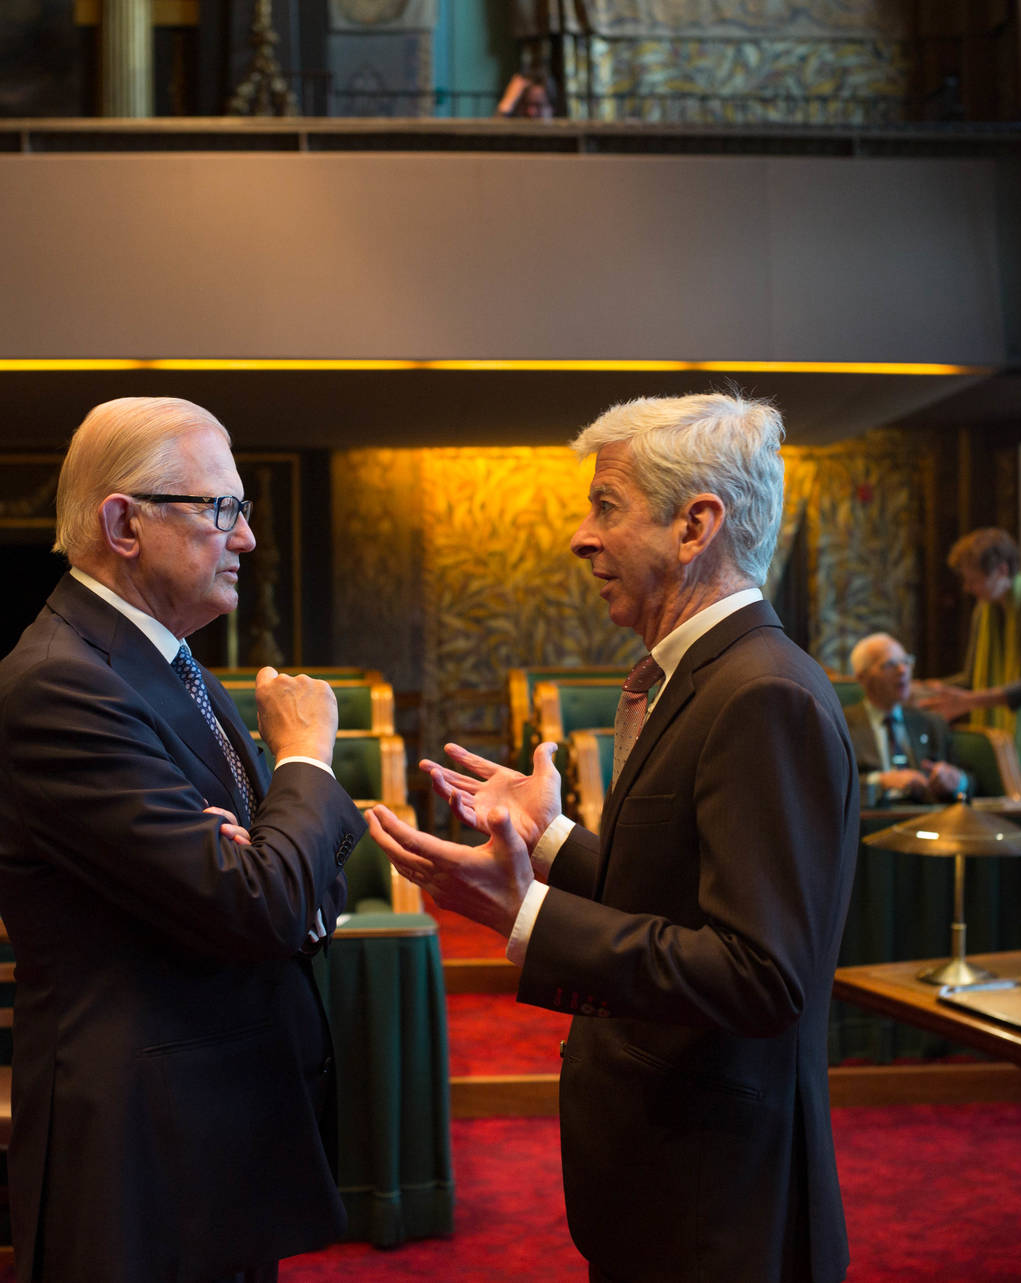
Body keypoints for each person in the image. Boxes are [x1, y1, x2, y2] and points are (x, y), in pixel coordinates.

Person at [367, 391, 858, 1283]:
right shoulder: (707, 675)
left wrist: (525, 913)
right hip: (673, 1183)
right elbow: (679, 893)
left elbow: (760, 974)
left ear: (695, 525)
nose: (580, 537)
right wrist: (548, 838)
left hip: (719, 1206)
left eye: (606, 506)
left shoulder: (761, 693)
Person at [0, 396, 363, 1282]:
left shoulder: (174, 665)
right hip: (138, 1151)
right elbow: (260, 902)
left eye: (242, 509)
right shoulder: (59, 686)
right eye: (219, 508)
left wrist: (264, 861)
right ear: (124, 524)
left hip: (212, 1124)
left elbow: (292, 890)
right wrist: (304, 759)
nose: (246, 537)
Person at [918, 527, 1021, 795]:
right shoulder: (984, 610)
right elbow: (973, 678)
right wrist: (930, 689)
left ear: (1002, 570)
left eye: (974, 580)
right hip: (1014, 724)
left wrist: (970, 701)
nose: (967, 588)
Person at [845, 632, 971, 804]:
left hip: (929, 816)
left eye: (906, 661)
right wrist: (880, 782)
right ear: (862, 678)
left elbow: (971, 781)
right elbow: (831, 785)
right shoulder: (843, 725)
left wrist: (957, 780)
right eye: (890, 664)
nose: (902, 670)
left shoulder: (931, 722)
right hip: (872, 817)